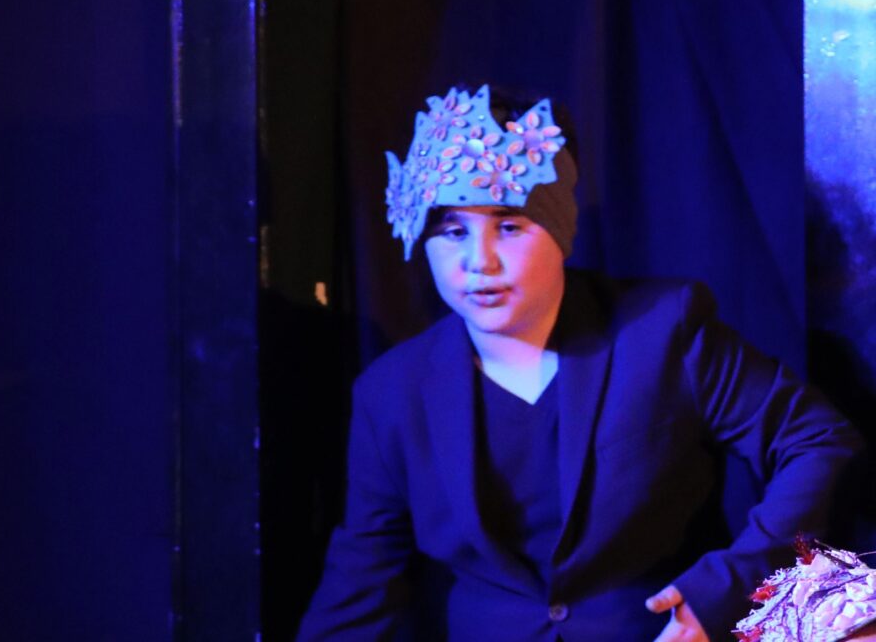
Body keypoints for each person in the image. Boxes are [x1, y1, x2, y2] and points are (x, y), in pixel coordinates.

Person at [297, 84, 862, 641]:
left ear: (559, 230)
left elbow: (816, 439)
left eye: (509, 226)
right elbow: (361, 582)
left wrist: (727, 587)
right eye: (452, 231)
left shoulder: (663, 331)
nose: (478, 261)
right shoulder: (392, 392)